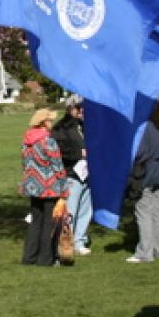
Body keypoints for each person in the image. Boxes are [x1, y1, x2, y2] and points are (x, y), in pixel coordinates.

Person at [20, 109, 70, 266]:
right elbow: (58, 166)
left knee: (36, 222)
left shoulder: (27, 140)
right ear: (43, 122)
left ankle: (29, 257)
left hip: (33, 186)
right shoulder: (48, 141)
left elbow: (25, 164)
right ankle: (45, 259)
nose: (52, 123)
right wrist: (64, 188)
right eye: (50, 120)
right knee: (49, 224)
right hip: (49, 187)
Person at [126, 105, 159, 264]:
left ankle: (145, 252)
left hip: (146, 171)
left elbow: (139, 153)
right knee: (157, 212)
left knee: (143, 211)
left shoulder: (143, 128)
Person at [52, 94, 93, 256]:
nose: (83, 111)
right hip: (71, 174)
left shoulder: (86, 125)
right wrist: (77, 153)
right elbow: (57, 151)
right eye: (79, 108)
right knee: (70, 211)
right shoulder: (61, 128)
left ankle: (79, 240)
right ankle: (65, 241)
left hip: (89, 174)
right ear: (71, 109)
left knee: (86, 210)